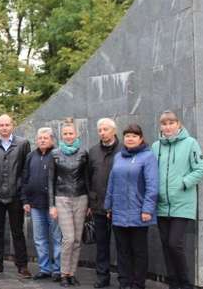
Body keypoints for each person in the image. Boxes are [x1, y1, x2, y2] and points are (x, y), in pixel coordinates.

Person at [151, 111, 203, 289]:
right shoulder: (156, 146)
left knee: (174, 244)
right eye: (164, 124)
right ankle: (173, 284)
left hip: (182, 204)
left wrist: (183, 183)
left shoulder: (190, 143)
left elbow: (200, 170)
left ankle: (185, 283)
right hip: (161, 205)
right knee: (166, 246)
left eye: (171, 123)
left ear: (178, 124)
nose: (167, 127)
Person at [104, 124, 158, 289]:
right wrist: (109, 206)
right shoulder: (118, 157)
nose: (130, 139)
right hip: (119, 212)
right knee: (122, 250)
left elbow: (152, 185)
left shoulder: (148, 157)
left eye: (134, 136)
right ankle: (124, 281)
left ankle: (138, 283)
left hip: (139, 212)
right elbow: (111, 182)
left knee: (138, 251)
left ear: (141, 139)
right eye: (127, 136)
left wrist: (147, 209)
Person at [0, 114, 32, 278]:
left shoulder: (23, 144)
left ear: (12, 125)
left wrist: (24, 195)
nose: (4, 127)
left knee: (18, 232)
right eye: (1, 125)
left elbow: (26, 171)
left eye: (7, 125)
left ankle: (22, 265)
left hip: (16, 195)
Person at [49, 119, 89, 287]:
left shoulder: (83, 153)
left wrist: (90, 204)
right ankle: (63, 273)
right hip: (62, 198)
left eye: (71, 133)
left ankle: (72, 274)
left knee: (77, 239)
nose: (68, 136)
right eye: (65, 134)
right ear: (61, 135)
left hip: (81, 198)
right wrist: (51, 205)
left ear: (76, 134)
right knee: (69, 239)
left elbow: (87, 178)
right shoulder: (55, 154)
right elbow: (50, 180)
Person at [21, 127, 62, 281]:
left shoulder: (57, 155)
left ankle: (58, 270)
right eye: (40, 138)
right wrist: (25, 200)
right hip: (35, 205)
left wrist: (56, 204)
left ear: (52, 140)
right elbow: (24, 178)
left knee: (57, 238)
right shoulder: (30, 156)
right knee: (39, 239)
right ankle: (45, 269)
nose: (42, 140)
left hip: (54, 206)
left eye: (45, 138)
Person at [87, 118, 122, 288]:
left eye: (105, 129)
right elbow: (88, 178)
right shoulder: (93, 151)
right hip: (98, 205)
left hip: (119, 207)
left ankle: (124, 277)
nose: (102, 133)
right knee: (101, 244)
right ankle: (102, 276)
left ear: (114, 131)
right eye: (100, 130)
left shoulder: (124, 150)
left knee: (122, 245)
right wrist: (90, 201)